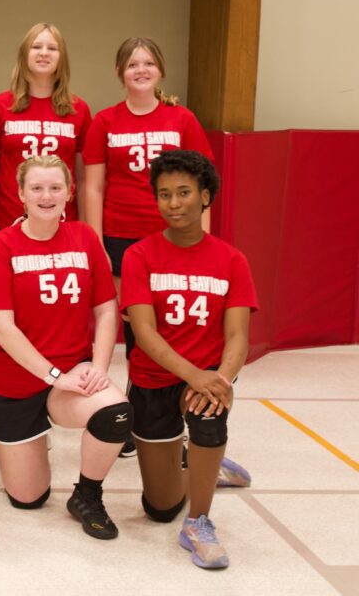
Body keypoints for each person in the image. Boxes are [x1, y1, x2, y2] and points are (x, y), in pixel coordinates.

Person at [0, 155, 130, 539]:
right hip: (10, 379)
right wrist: (52, 375)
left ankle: (87, 495)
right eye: (37, 188)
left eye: (55, 187)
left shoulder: (84, 237)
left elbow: (106, 309)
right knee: (28, 498)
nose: (47, 196)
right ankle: (29, 444)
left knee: (117, 414)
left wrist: (98, 366)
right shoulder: (0, 246)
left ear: (69, 192)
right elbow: (1, 326)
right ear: (21, 193)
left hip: (70, 369)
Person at [122, 150, 257, 569]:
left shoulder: (232, 260)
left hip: (204, 379)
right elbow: (144, 334)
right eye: (164, 195)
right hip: (153, 378)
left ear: (205, 197)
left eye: (183, 193)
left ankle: (199, 521)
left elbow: (237, 336)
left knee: (208, 416)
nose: (174, 203)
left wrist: (222, 379)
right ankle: (206, 466)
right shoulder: (139, 256)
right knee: (160, 507)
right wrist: (196, 375)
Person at [82, 37, 215, 461]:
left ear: (160, 69)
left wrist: (203, 244)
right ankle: (132, 416)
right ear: (120, 72)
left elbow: (201, 186)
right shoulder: (105, 121)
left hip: (173, 240)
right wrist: (96, 242)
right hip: (122, 239)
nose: (140, 70)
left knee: (173, 332)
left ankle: (170, 419)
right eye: (132, 64)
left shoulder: (182, 119)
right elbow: (93, 185)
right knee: (134, 333)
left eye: (148, 63)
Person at [0, 23, 91, 229]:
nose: (44, 53)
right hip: (5, 222)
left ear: (61, 58)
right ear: (24, 55)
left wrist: (83, 227)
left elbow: (83, 179)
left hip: (62, 222)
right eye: (36, 47)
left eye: (52, 48)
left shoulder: (79, 110)